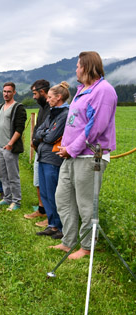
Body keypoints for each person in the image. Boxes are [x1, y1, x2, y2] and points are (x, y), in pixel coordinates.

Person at [50, 51, 117, 259]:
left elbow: (94, 127)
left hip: (89, 157)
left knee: (86, 203)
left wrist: (71, 148)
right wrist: (67, 148)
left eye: (78, 65)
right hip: (71, 156)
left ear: (87, 67)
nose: (76, 69)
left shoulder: (103, 91)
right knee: (63, 198)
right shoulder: (83, 90)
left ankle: (87, 246)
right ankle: (68, 241)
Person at [33, 82, 70, 239]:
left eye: (49, 97)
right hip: (43, 155)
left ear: (58, 97)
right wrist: (44, 134)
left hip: (53, 158)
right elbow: (39, 131)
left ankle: (60, 225)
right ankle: (52, 224)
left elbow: (51, 136)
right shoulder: (52, 113)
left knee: (54, 192)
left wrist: (44, 134)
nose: (47, 100)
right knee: (46, 192)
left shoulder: (64, 114)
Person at [0, 82, 27, 211]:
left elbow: (19, 128)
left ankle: (16, 201)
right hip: (0, 147)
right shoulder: (0, 107)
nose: (6, 94)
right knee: (2, 175)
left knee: (13, 176)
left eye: (9, 92)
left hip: (10, 147)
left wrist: (10, 143)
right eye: (4, 91)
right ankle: (7, 198)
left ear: (14, 92)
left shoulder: (18, 107)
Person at [24, 80, 50, 225]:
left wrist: (37, 140)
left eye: (35, 93)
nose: (33, 97)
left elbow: (49, 130)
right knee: (38, 181)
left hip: (47, 151)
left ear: (42, 91)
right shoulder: (42, 107)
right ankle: (42, 209)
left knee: (48, 183)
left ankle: (51, 216)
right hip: (39, 150)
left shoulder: (52, 108)